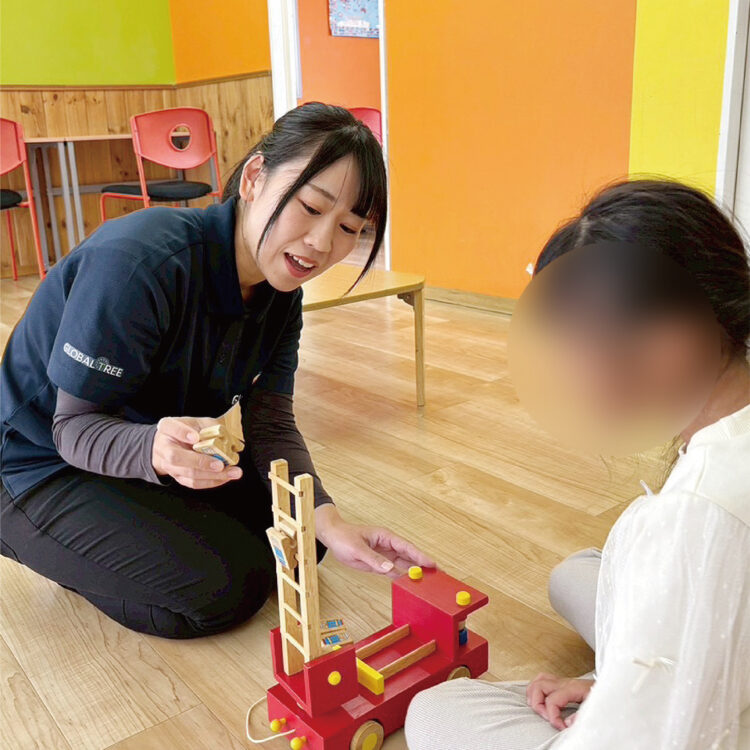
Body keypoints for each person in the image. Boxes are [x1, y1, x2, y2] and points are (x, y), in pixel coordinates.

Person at [0, 103, 433, 639]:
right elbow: (73, 428)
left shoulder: (281, 295)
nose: (322, 243)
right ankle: (46, 542)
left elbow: (269, 422)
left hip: (139, 443)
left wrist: (328, 518)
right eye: (310, 207)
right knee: (224, 590)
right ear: (254, 178)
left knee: (304, 540)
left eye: (348, 227)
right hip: (36, 461)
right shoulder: (140, 262)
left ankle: (115, 529)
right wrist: (152, 448)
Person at [405, 180, 750, 749]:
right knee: (575, 574)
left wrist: (613, 697)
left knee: (436, 710)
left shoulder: (696, 517)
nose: (591, 366)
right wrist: (615, 682)